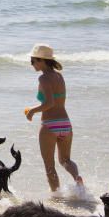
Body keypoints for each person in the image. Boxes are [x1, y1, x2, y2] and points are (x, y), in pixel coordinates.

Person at [24, 44, 83, 191]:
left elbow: (49, 103)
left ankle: (56, 199)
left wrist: (32, 110)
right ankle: (77, 178)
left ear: (42, 60)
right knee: (66, 160)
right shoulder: (59, 76)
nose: (32, 65)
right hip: (65, 123)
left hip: (50, 125)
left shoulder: (43, 79)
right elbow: (57, 101)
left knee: (49, 167)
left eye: (33, 61)